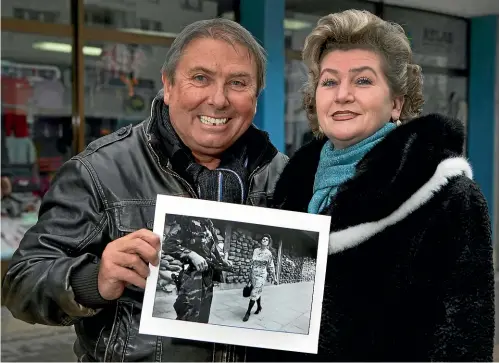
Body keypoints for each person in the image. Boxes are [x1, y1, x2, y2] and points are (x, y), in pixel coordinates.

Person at [1, 18, 288, 362]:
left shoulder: (285, 177)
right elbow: (20, 283)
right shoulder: (100, 171)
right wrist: (93, 280)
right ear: (168, 86)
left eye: (238, 83)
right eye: (200, 78)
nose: (218, 99)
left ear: (256, 96)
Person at [249, 9, 494, 362]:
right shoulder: (293, 184)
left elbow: (464, 342)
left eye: (362, 81)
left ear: (396, 103)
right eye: (329, 81)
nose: (342, 95)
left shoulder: (447, 196)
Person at [162, 217, 234, 323]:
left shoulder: (209, 224)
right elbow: (168, 245)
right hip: (191, 277)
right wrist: (191, 254)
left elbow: (211, 249)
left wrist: (222, 260)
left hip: (207, 278)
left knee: (203, 318)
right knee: (188, 317)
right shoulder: (186, 221)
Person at [242, 234, 277, 322]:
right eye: (263, 239)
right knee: (257, 291)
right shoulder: (255, 250)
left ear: (268, 243)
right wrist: (250, 275)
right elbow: (252, 263)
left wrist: (274, 278)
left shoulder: (269, 254)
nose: (264, 240)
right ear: (261, 241)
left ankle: (248, 312)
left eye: (266, 240)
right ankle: (259, 307)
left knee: (254, 293)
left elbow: (271, 266)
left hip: (261, 275)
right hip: (253, 274)